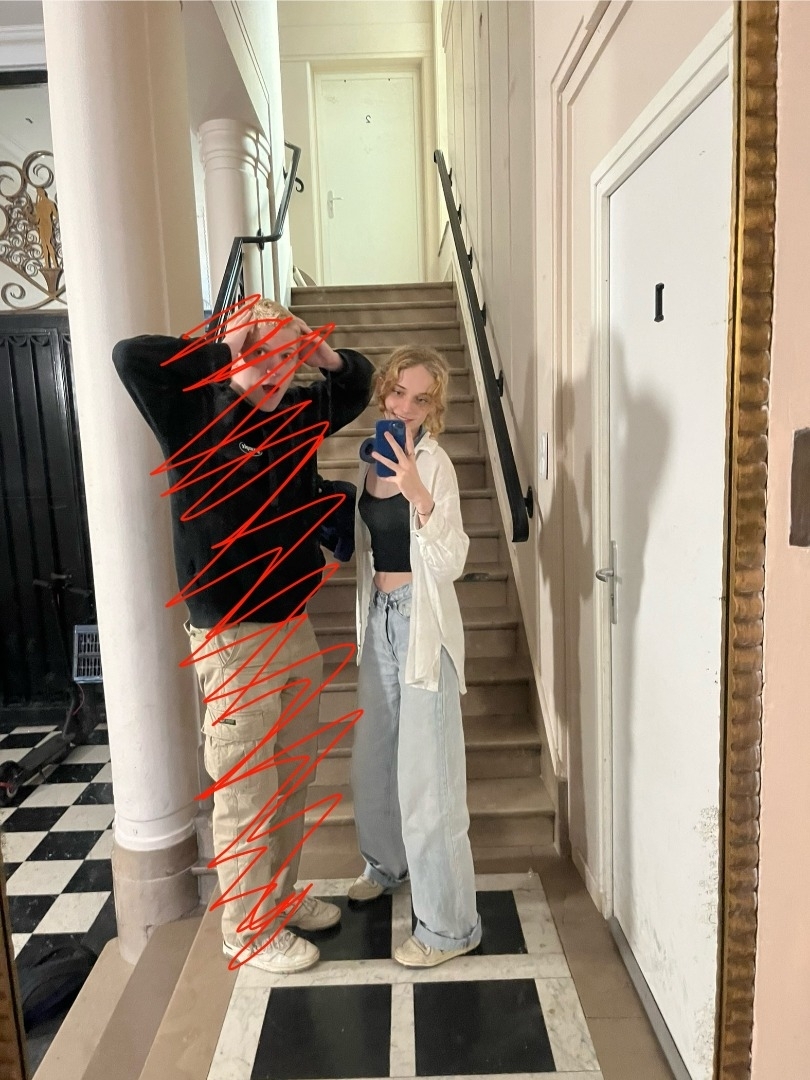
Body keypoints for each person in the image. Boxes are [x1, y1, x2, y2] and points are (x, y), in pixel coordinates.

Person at [113, 299, 375, 974]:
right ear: (234, 352)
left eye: (290, 357)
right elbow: (131, 357)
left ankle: (278, 902)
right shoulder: (192, 413)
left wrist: (320, 353)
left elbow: (355, 385)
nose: (279, 369)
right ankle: (247, 931)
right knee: (247, 791)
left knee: (290, 779)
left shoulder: (295, 416)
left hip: (293, 624)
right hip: (233, 638)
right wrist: (228, 348)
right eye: (265, 354)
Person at [348, 344, 482, 967]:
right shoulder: (368, 460)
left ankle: (450, 928)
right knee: (375, 759)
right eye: (398, 392)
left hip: (423, 625)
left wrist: (419, 496)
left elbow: (453, 561)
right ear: (383, 391)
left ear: (433, 408)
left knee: (431, 783)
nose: (405, 407)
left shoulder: (435, 464)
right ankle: (386, 864)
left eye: (420, 399)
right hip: (378, 621)